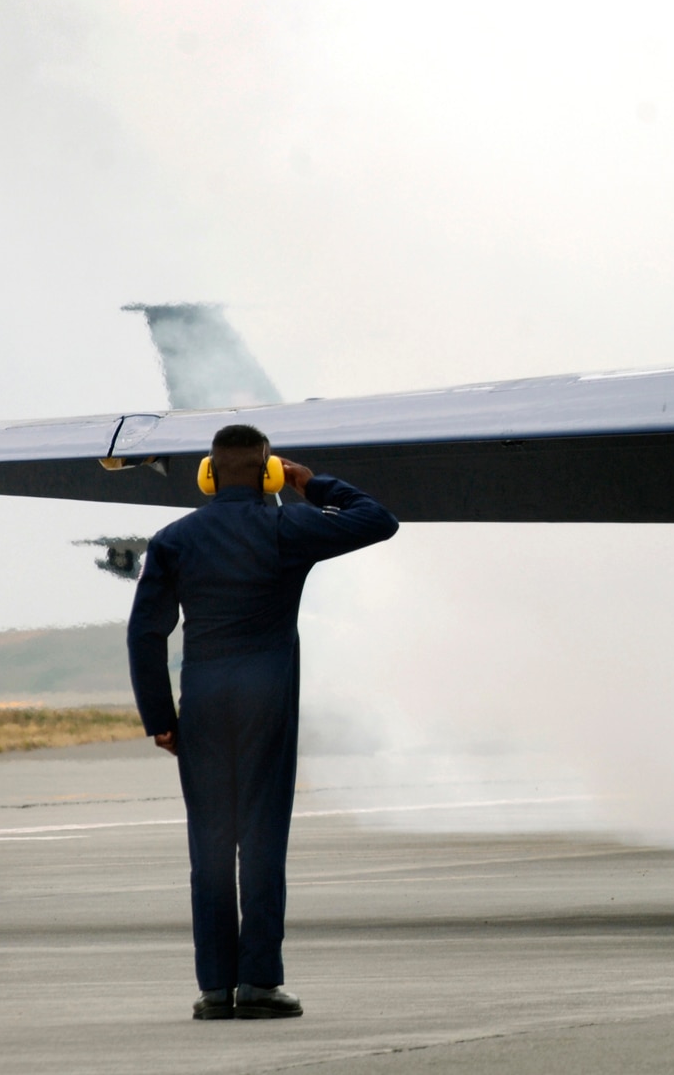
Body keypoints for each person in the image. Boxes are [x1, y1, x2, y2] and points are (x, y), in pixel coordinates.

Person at [127, 424, 398, 1020]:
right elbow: (377, 519)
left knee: (211, 847)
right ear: (269, 473)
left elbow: (146, 634)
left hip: (201, 704)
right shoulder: (288, 526)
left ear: (208, 473)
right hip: (266, 703)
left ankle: (214, 989)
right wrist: (309, 483)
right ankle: (259, 984)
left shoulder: (174, 540)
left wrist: (161, 719)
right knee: (263, 840)